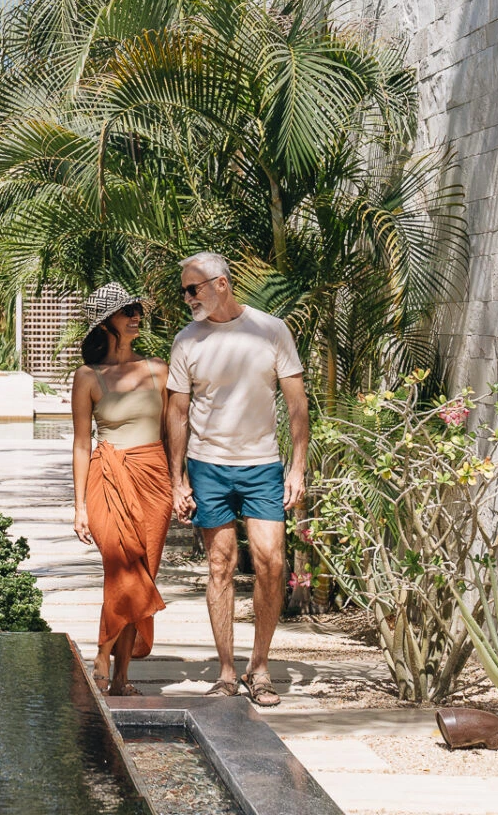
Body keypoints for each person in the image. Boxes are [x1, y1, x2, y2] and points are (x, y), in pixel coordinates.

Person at [165, 252, 308, 705]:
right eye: (184, 290)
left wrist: (297, 466)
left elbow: (297, 404)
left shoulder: (271, 330)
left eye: (194, 289)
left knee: (271, 561)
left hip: (262, 465)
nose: (187, 298)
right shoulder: (187, 341)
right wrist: (178, 480)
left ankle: (259, 667)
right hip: (207, 466)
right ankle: (228, 670)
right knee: (220, 565)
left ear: (221, 284)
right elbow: (176, 413)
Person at [70, 282, 174, 697]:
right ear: (105, 323)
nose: (135, 316)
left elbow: (173, 433)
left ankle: (121, 675)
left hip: (154, 478)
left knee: (143, 572)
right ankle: (102, 653)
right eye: (125, 311)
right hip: (107, 476)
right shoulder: (87, 377)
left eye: (136, 310)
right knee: (121, 568)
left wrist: (181, 482)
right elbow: (81, 443)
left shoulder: (159, 370)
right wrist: (78, 505)